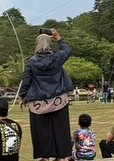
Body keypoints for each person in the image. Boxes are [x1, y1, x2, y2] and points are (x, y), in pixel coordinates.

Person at [18, 28, 73, 161]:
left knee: (41, 131)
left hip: (38, 102)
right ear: (50, 43)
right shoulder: (57, 58)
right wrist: (58, 37)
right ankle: (62, 156)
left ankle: (44, 156)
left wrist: (22, 96)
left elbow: (26, 81)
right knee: (61, 129)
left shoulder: (31, 62)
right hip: (59, 99)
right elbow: (67, 50)